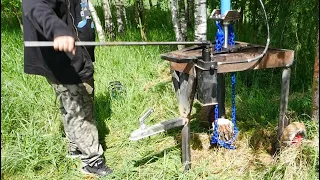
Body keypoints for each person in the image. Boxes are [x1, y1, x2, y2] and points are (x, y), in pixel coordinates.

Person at [22, 0, 112, 176]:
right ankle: (92, 161)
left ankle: (75, 147)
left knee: (69, 102)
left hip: (75, 51)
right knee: (80, 105)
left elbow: (78, 13)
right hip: (59, 55)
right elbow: (32, 5)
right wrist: (57, 29)